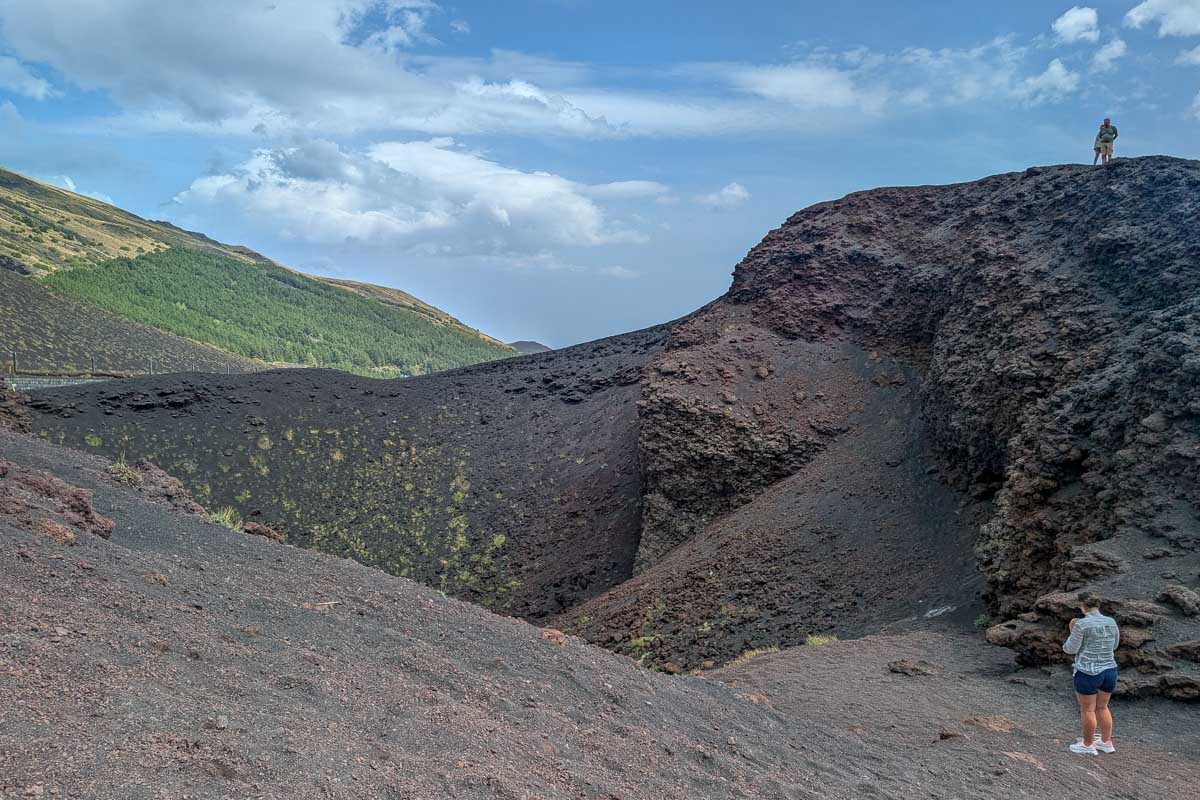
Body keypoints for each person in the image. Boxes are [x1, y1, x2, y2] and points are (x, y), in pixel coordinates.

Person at [1063, 591, 1119, 755]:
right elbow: (1114, 645)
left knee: (1087, 709)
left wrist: (1072, 629)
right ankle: (1106, 742)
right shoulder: (1111, 621)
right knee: (1102, 707)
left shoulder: (1081, 624)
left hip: (1088, 671)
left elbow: (1070, 649)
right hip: (1109, 670)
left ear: (1082, 606)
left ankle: (1087, 745)